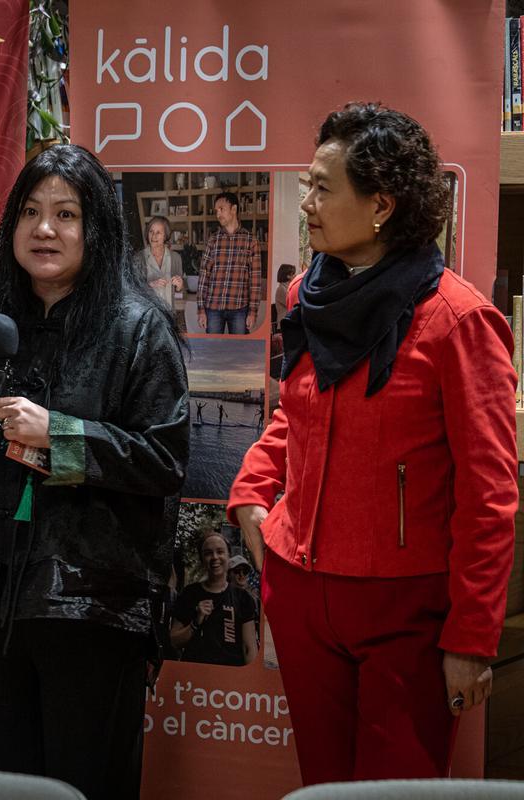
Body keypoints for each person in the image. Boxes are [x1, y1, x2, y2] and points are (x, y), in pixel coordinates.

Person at [0, 144, 189, 800]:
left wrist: (63, 436)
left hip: (89, 603)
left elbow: (163, 462)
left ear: (97, 230)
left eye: (66, 214)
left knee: (85, 784)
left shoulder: (138, 332)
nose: (44, 229)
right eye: (30, 212)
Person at [229, 102, 517, 784]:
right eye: (308, 185)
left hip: (406, 614)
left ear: (381, 206)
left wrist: (472, 639)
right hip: (303, 597)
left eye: (323, 187)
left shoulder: (459, 321)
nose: (307, 201)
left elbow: (491, 493)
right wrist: (248, 495)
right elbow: (292, 418)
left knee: (396, 793)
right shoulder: (307, 295)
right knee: (324, 788)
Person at [169, 533, 257, 666]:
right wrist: (196, 622)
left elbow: (249, 648)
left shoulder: (243, 598)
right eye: (208, 553)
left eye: (220, 552)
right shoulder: (190, 593)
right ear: (202, 559)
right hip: (193, 677)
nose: (215, 557)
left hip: (230, 680)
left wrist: (250, 681)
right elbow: (173, 641)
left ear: (228, 556)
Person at [196, 191, 262, 334]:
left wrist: (253, 312)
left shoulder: (251, 241)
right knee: (213, 351)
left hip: (240, 308)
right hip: (213, 308)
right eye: (216, 211)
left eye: (222, 209)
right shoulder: (213, 240)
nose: (218, 214)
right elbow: (204, 275)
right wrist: (201, 310)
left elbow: (255, 280)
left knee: (239, 352)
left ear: (234, 209)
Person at [132, 215, 184, 309]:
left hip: (168, 315)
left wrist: (179, 285)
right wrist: (151, 285)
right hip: (148, 317)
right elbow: (133, 291)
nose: (153, 236)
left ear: (165, 236)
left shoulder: (176, 258)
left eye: (158, 232)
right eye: (151, 231)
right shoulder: (138, 258)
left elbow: (179, 291)